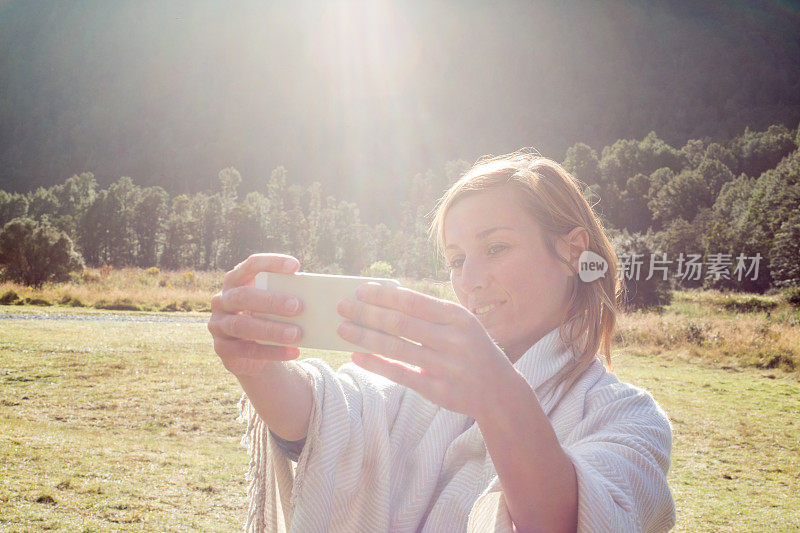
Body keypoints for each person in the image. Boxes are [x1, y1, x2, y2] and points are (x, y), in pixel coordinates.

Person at [207, 151, 676, 532]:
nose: (468, 280)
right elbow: (325, 423)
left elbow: (579, 522)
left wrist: (499, 397)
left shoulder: (629, 419)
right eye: (455, 260)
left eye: (495, 248)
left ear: (573, 252)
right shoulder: (422, 378)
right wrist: (258, 367)